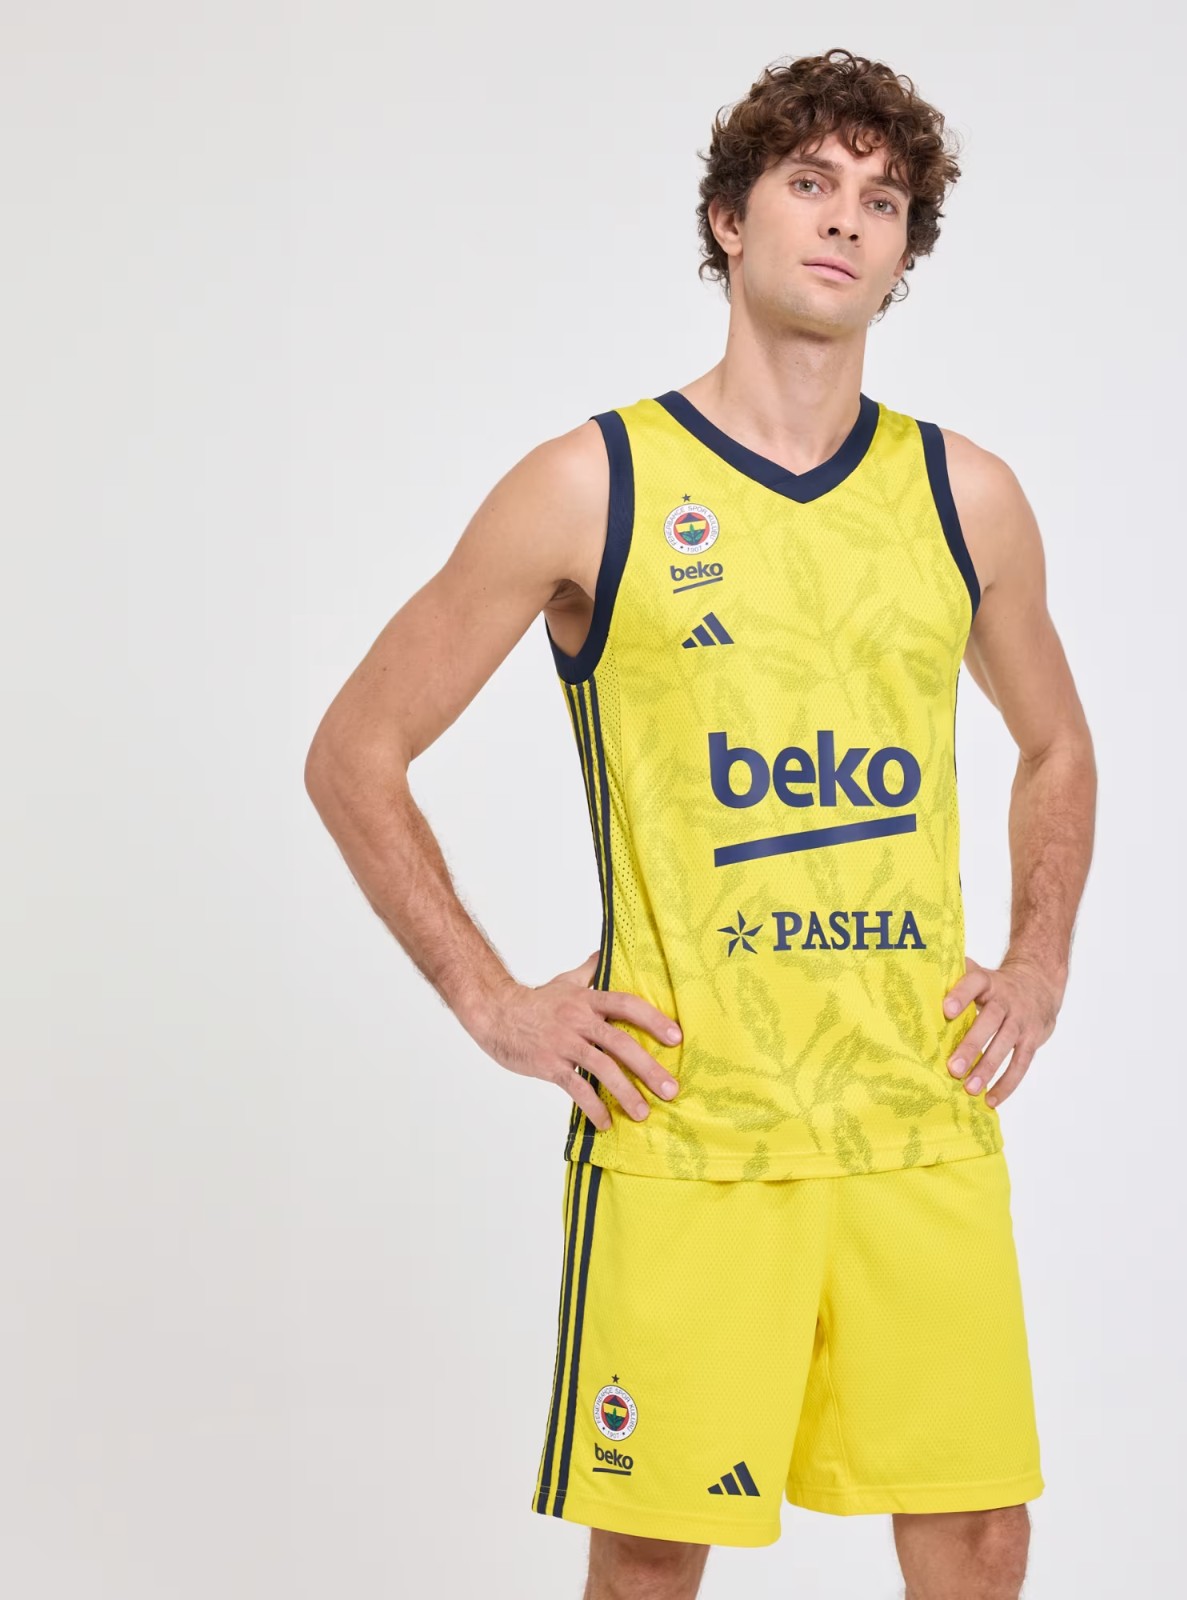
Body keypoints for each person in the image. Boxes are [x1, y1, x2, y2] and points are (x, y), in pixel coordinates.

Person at [305, 46, 1096, 1600]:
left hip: (912, 1115)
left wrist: (1039, 959)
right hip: (687, 1130)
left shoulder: (966, 496)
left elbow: (1056, 742)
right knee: (656, 1553)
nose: (847, 220)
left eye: (884, 200)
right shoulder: (590, 485)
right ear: (731, 219)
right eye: (811, 182)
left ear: (906, 253)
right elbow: (356, 751)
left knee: (979, 1537)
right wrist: (492, 999)